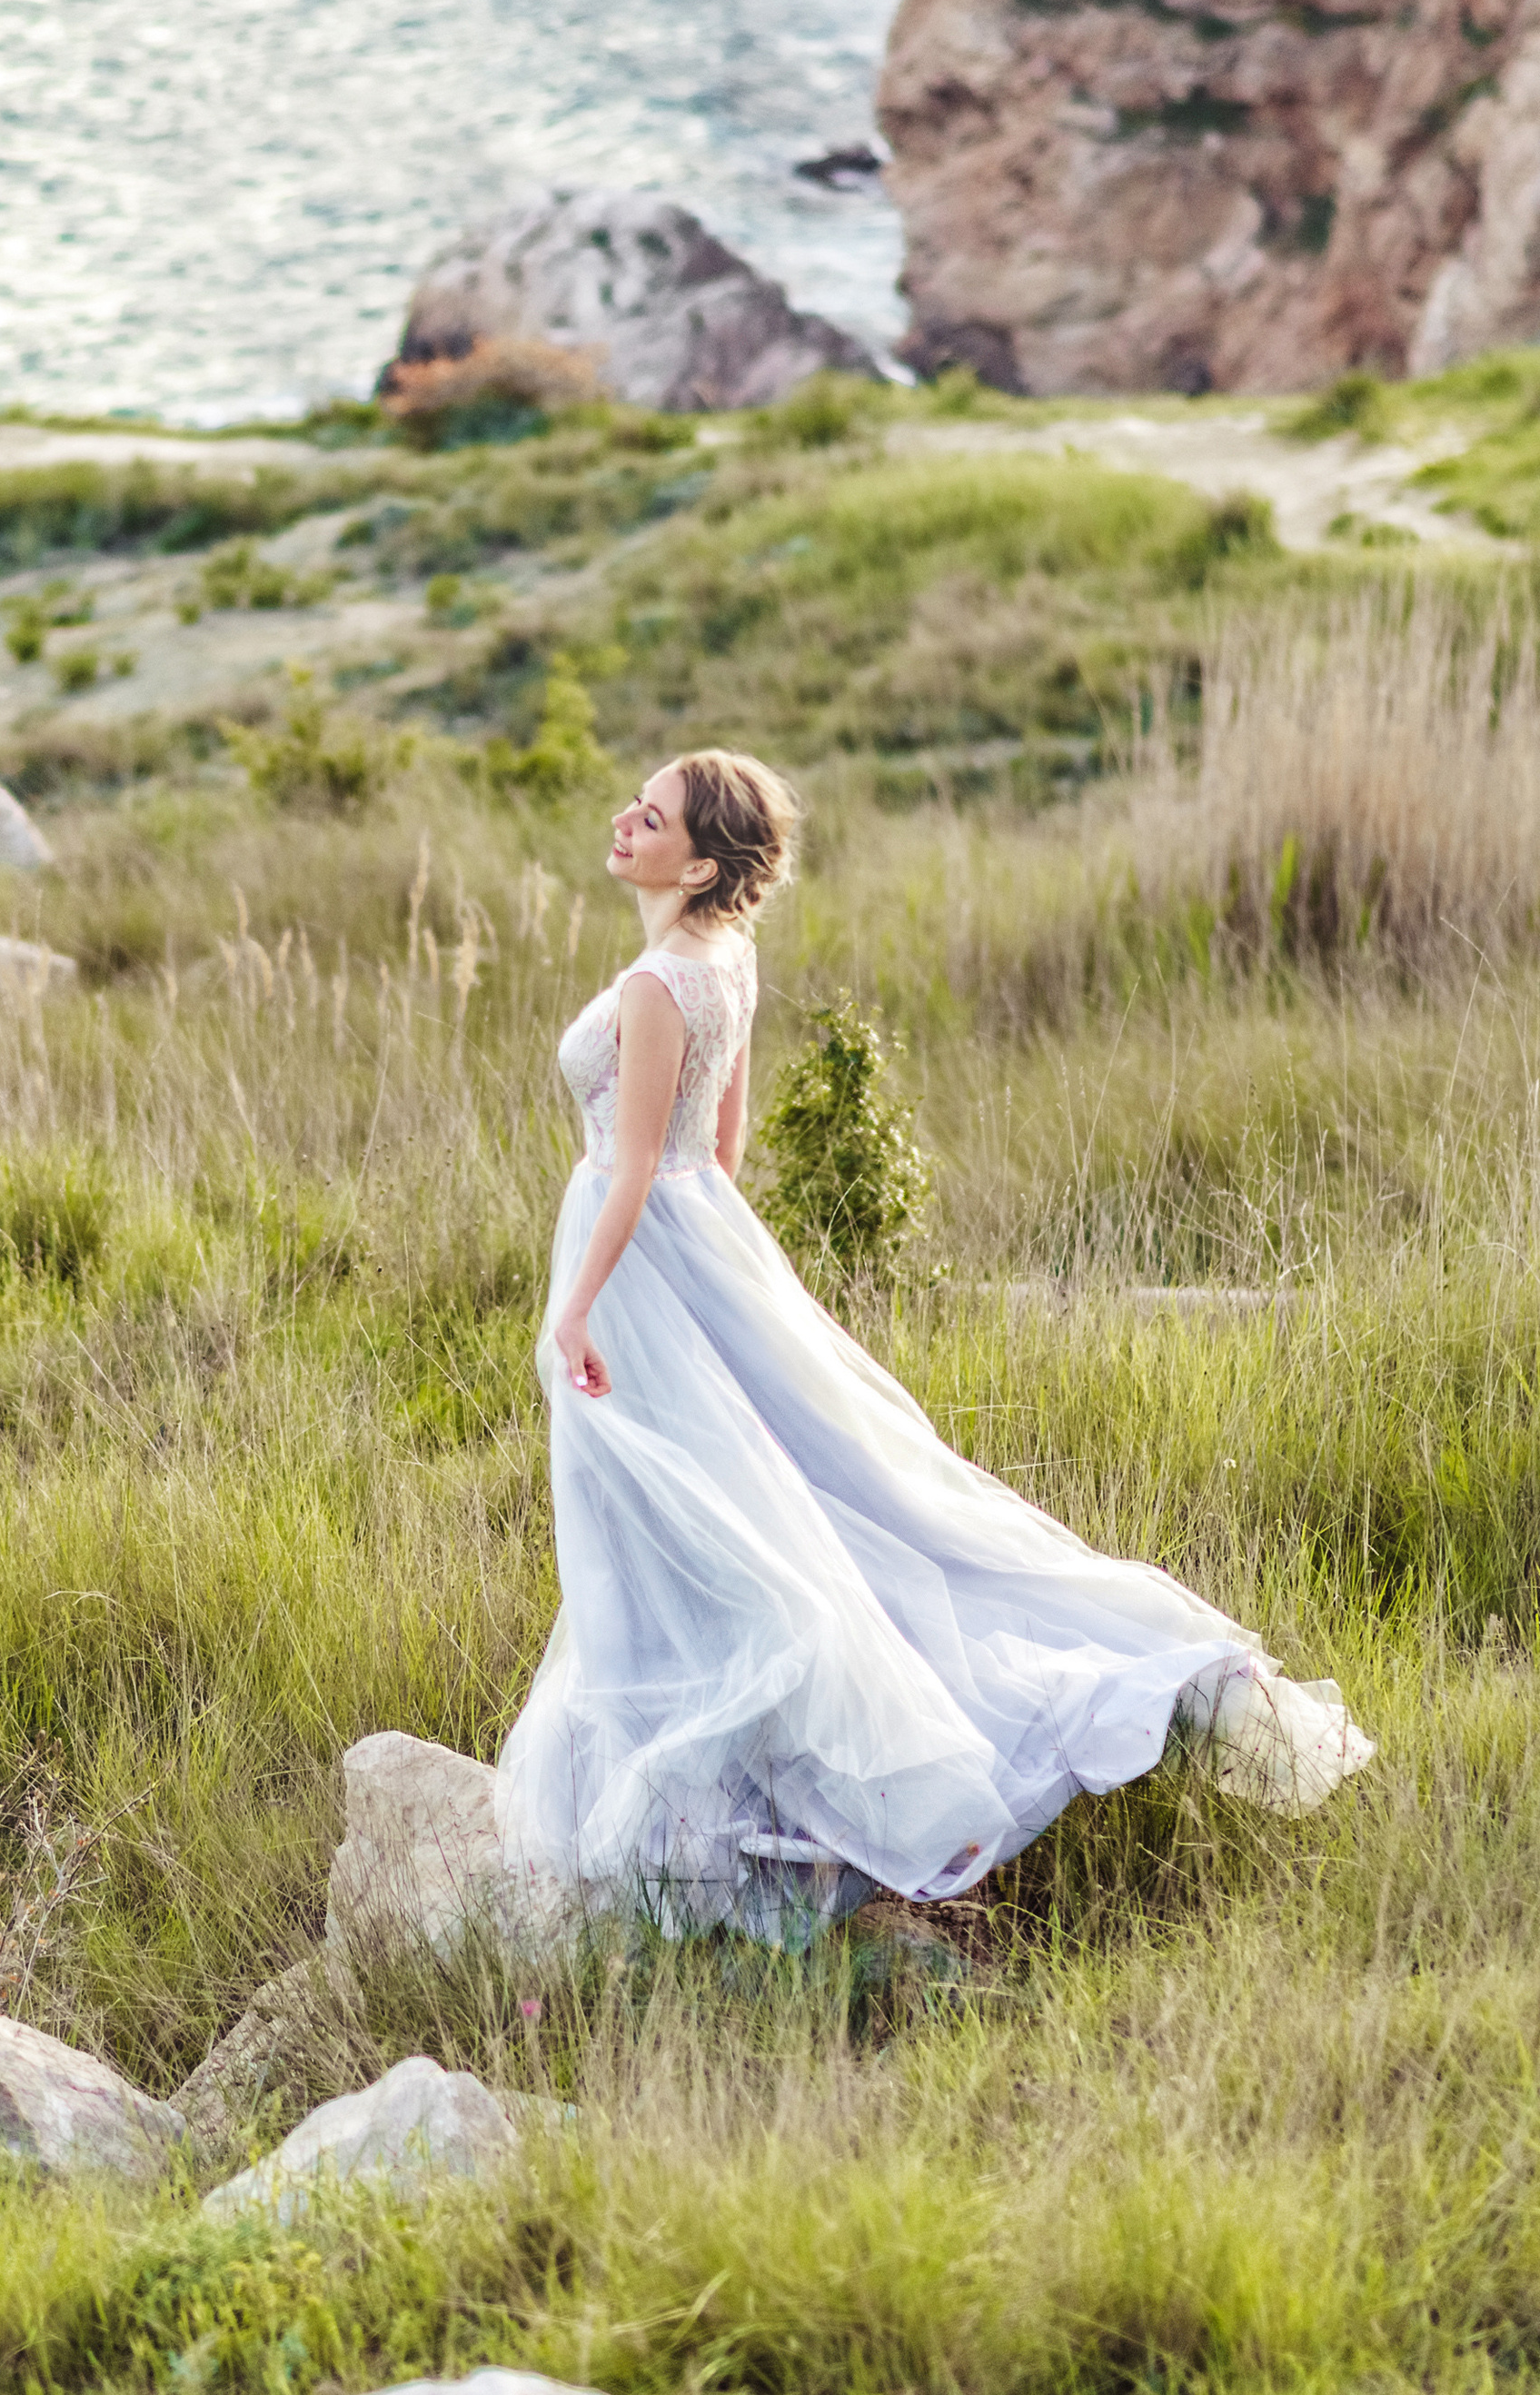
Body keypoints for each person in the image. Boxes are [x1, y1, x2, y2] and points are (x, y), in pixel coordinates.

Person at [493, 750, 1372, 1943]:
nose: (622, 819)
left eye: (647, 816)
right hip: (707, 1244)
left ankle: (737, 1797)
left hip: (638, 1255)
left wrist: (580, 1309)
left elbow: (637, 1164)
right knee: (777, 1491)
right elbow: (723, 1146)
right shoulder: (727, 961)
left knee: (671, 1510)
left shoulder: (659, 986)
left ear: (698, 861)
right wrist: (721, 1283)